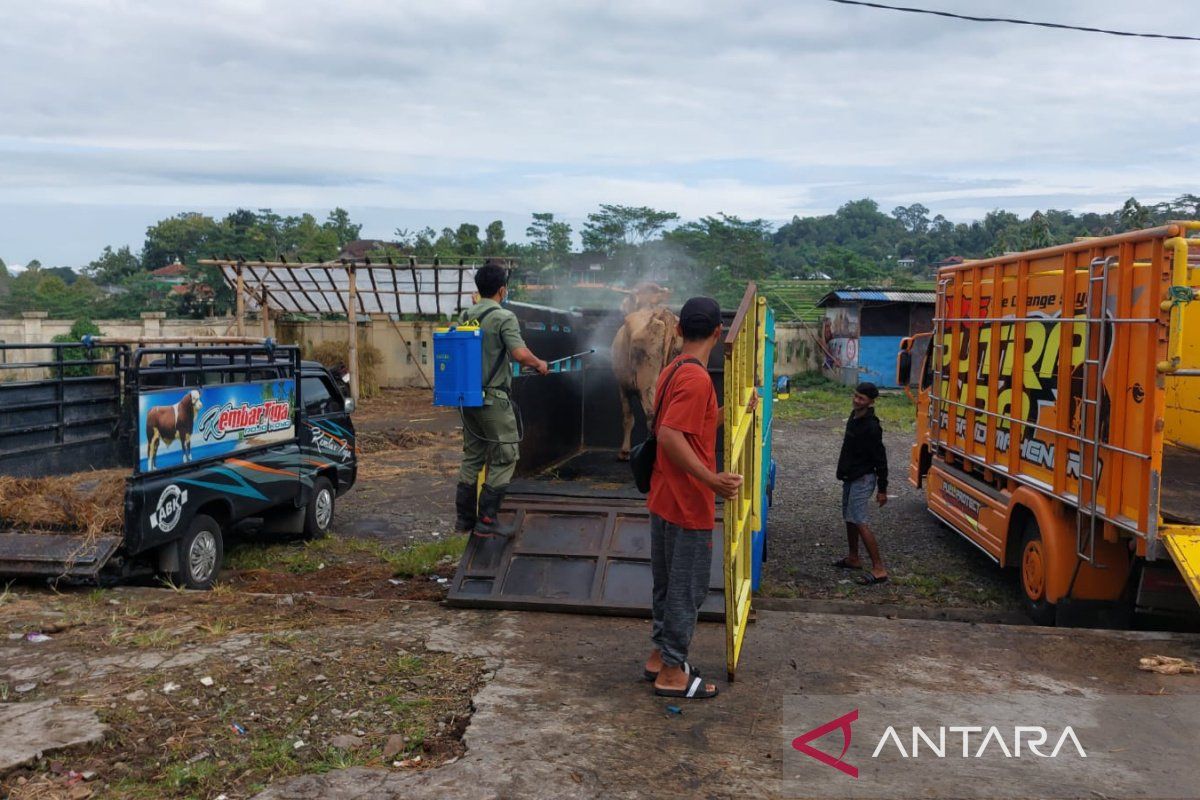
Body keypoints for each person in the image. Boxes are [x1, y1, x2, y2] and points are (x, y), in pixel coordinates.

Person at [642, 297, 745, 700]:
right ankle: (671, 673)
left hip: (665, 497)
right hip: (688, 503)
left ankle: (659, 656)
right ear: (719, 333)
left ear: (679, 330)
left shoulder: (673, 371)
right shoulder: (697, 379)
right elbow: (670, 434)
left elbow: (692, 425)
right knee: (686, 589)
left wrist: (732, 410)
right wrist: (712, 479)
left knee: (667, 586)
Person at [454, 263, 548, 537]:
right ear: (502, 290)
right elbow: (519, 354)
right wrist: (539, 363)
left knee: (473, 456)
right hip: (494, 401)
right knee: (506, 455)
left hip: (468, 400)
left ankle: (464, 519)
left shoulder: (466, 316)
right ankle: (487, 520)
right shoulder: (504, 317)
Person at [832, 381, 889, 585]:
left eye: (861, 399)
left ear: (871, 402)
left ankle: (879, 569)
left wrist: (882, 489)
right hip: (850, 476)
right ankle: (853, 558)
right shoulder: (854, 417)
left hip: (863, 478)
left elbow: (881, 459)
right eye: (855, 396)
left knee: (860, 520)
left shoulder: (872, 427)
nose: (856, 401)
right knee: (849, 517)